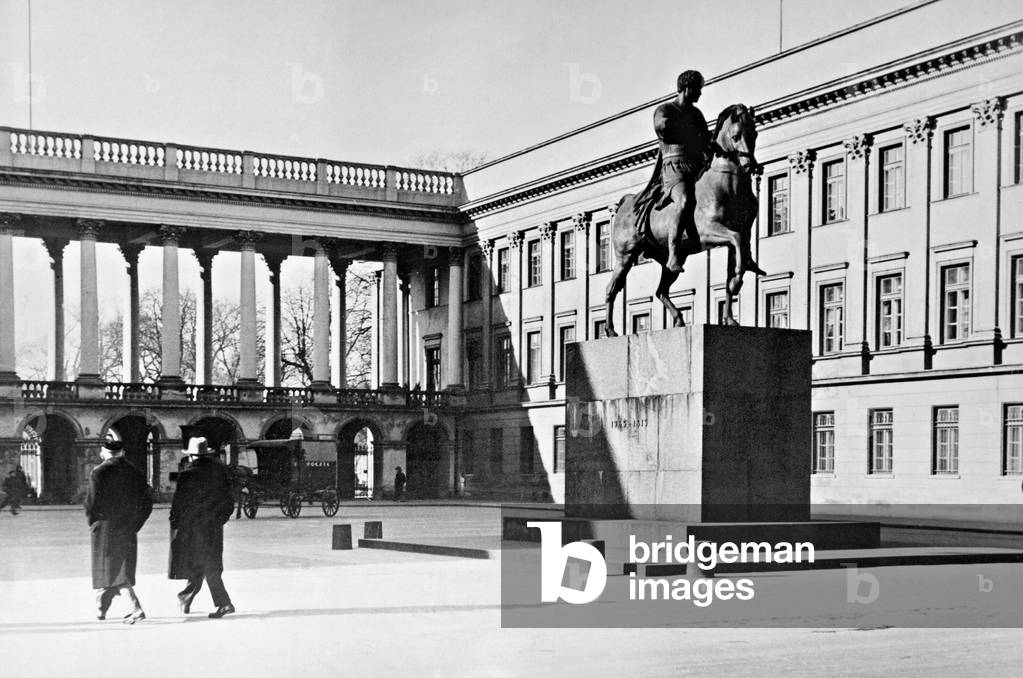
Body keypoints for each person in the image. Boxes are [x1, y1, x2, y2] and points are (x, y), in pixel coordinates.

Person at [633, 69, 712, 274]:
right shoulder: (665, 110)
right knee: (684, 200)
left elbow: (706, 140)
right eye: (698, 89)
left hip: (695, 166)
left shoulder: (696, 114)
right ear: (687, 88)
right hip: (673, 168)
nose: (700, 94)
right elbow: (663, 128)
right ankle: (674, 254)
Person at [85, 439, 153, 623]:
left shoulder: (98, 472)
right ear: (122, 452)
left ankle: (136, 609)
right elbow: (147, 502)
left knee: (114, 569)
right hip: (129, 526)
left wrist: (93, 523)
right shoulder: (135, 472)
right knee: (115, 567)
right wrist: (136, 523)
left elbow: (92, 503)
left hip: (106, 527)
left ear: (104, 452)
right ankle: (101, 609)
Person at [169, 436, 237, 618]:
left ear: (191, 456)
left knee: (205, 564)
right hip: (213, 527)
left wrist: (175, 523)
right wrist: (219, 519)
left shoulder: (187, 475)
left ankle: (224, 603)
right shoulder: (220, 472)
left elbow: (178, 504)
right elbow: (229, 502)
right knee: (207, 561)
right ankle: (185, 597)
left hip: (191, 527)